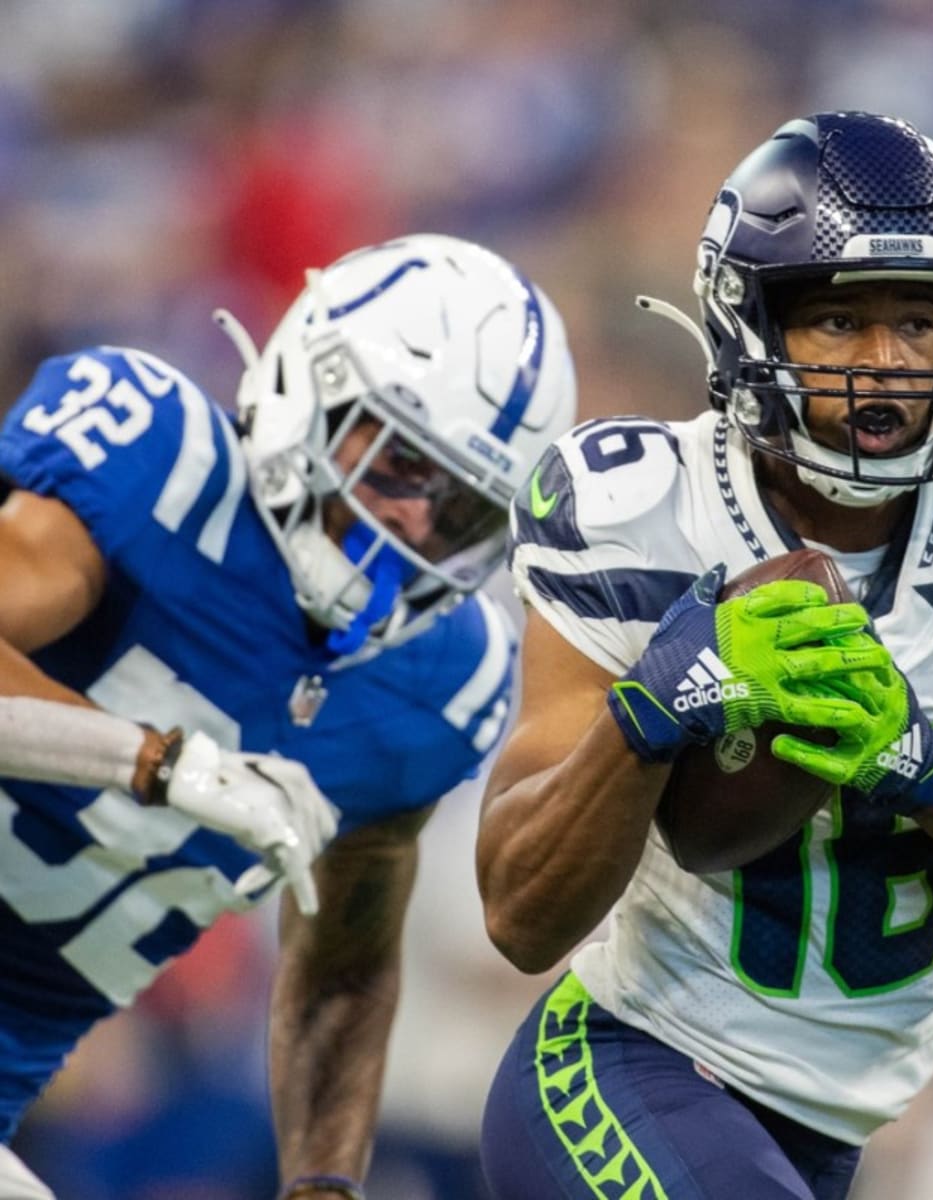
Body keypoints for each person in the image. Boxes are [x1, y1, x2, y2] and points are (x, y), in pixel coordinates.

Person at [474, 111, 933, 1199]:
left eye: (916, 322)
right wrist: (653, 708)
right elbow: (520, 911)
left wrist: (920, 768)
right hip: (630, 1065)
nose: (884, 367)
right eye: (838, 320)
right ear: (749, 322)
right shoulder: (636, 510)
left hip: (831, 1129)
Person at [0, 232, 576, 1200]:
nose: (412, 526)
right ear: (310, 385)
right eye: (398, 463)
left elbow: (345, 968)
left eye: (462, 512)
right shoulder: (161, 470)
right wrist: (158, 761)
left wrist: (322, 1183)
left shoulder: (442, 684)